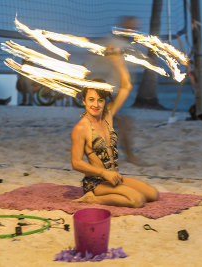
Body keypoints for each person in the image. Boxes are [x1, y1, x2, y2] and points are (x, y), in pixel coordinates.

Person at [71, 46, 159, 208]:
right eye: (91, 100)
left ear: (105, 102)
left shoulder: (108, 116)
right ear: (84, 101)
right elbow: (76, 163)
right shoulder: (81, 128)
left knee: (153, 194)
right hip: (96, 182)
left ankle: (115, 190)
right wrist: (104, 173)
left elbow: (126, 87)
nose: (95, 105)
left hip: (114, 177)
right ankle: (93, 199)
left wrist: (117, 60)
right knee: (137, 200)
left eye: (100, 100)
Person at [84, 16, 148, 166]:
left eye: (136, 28)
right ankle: (128, 156)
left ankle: (110, 155)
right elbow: (93, 65)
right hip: (111, 91)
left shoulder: (126, 45)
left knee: (116, 125)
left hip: (117, 90)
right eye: (131, 27)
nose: (134, 31)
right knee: (121, 124)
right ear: (123, 27)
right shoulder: (112, 44)